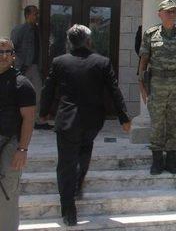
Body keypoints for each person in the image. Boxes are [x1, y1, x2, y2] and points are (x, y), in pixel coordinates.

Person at [40, 25, 131, 226]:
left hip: (67, 120)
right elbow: (114, 91)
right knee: (84, 150)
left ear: (69, 42)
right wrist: (124, 117)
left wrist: (43, 112)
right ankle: (78, 184)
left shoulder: (59, 61)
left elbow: (48, 89)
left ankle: (69, 209)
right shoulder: (102, 62)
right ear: (89, 41)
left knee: (66, 164)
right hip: (92, 122)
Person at [138, 0, 176, 175]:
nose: (171, 14)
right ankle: (156, 161)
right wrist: (141, 85)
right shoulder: (150, 34)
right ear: (159, 14)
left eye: (173, 11)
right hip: (157, 83)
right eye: (168, 11)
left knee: (174, 122)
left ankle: (171, 160)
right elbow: (144, 60)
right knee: (157, 123)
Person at [0, 38, 36, 231]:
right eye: (0, 52)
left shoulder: (22, 84)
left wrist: (22, 149)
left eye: (8, 52)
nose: (4, 56)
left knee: (6, 193)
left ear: (13, 56)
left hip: (9, 145)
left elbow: (29, 119)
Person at [11, 5, 52, 130]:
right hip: (22, 67)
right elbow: (12, 48)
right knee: (18, 94)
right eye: (35, 14)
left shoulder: (36, 30)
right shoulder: (19, 29)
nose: (37, 16)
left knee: (39, 93)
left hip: (34, 67)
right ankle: (16, 120)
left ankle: (38, 121)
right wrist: (19, 65)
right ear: (28, 15)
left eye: (37, 14)